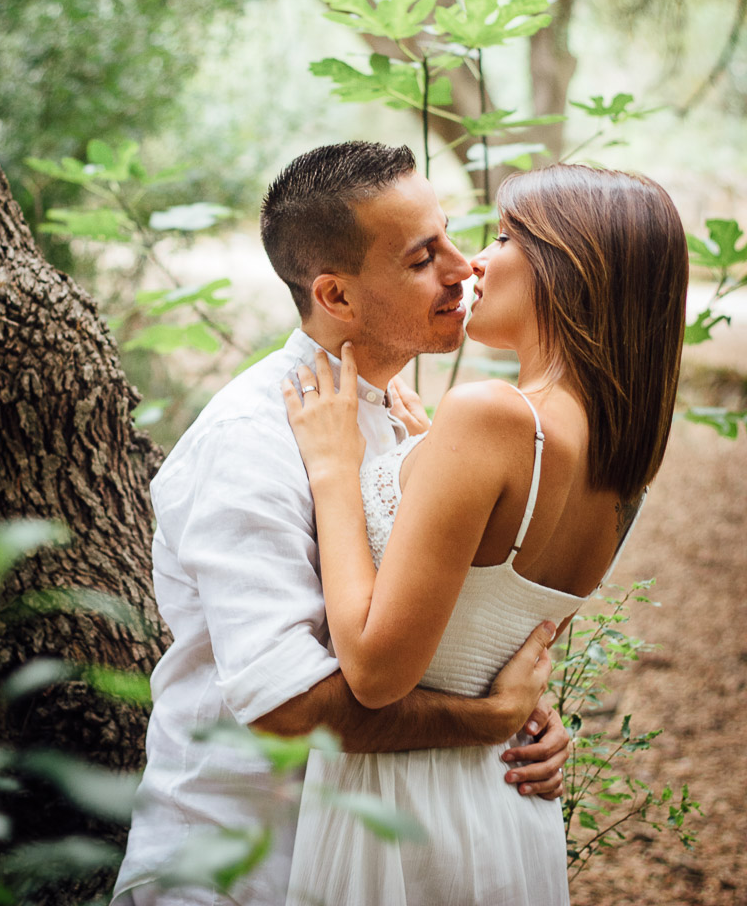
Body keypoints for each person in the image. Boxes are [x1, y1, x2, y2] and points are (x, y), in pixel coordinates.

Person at [111, 143, 571, 906]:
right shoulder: (251, 441)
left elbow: (424, 633)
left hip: (360, 864)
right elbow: (286, 707)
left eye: (454, 237)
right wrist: (487, 718)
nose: (465, 269)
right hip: (238, 870)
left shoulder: (403, 427)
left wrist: (528, 721)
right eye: (425, 257)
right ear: (337, 296)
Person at [281, 162, 688, 906]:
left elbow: (374, 673)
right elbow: (492, 627)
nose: (474, 263)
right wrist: (426, 458)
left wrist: (339, 472)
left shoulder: (491, 418)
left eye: (503, 238)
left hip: (405, 815)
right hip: (504, 806)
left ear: (567, 270)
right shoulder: (621, 470)